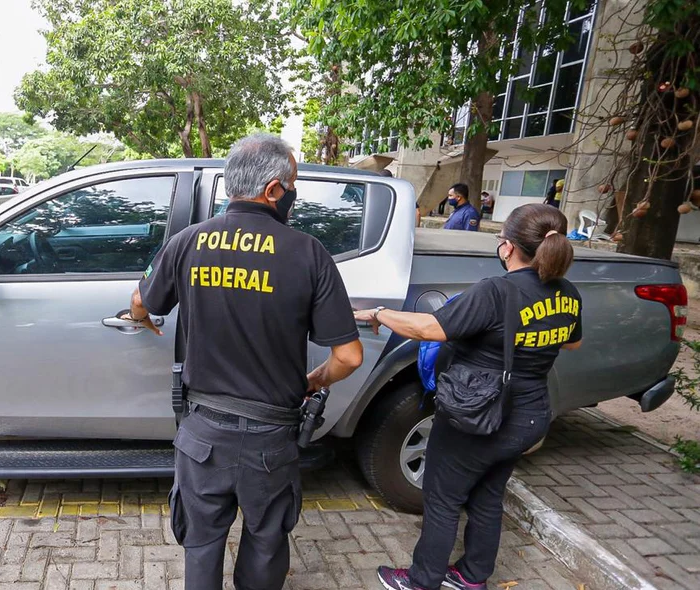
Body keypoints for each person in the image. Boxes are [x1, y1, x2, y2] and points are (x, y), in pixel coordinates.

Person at [128, 133, 364, 590]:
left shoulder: (187, 242)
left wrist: (141, 316)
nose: (294, 194)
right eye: (292, 184)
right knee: (266, 542)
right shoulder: (309, 253)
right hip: (271, 441)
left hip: (203, 437)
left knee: (201, 545)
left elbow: (143, 299)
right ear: (274, 190)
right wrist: (314, 380)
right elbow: (349, 356)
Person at [355, 203, 583, 590]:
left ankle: (421, 581)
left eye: (500, 240)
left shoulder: (496, 291)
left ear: (508, 247)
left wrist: (378, 313)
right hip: (529, 416)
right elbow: (572, 343)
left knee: (442, 500)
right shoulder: (567, 292)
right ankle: (472, 576)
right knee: (489, 496)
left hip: (480, 415)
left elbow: (428, 328)